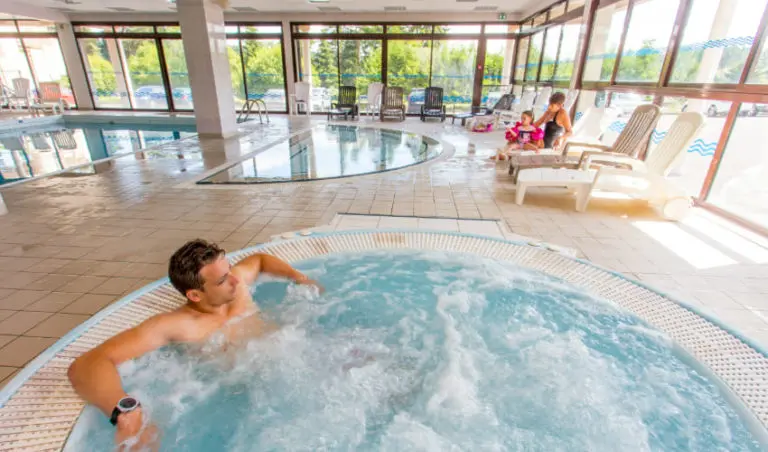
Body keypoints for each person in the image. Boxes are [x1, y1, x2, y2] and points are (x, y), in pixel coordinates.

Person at [67, 239, 321, 450]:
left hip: (302, 358)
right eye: (222, 280)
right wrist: (125, 412)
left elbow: (260, 260)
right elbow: (87, 364)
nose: (235, 280)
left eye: (229, 270)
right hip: (258, 395)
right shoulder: (177, 325)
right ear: (195, 295)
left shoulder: (237, 285)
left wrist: (300, 277)